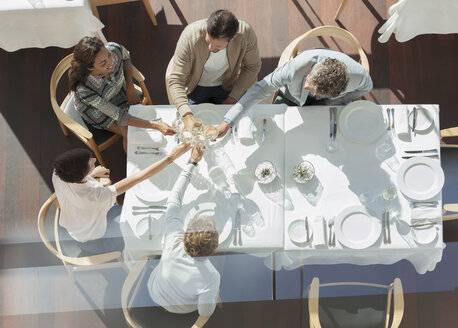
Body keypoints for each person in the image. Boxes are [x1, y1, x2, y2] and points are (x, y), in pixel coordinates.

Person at [52, 144, 190, 255]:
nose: (95, 160)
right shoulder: (94, 196)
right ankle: (149, 255)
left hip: (81, 224)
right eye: (91, 163)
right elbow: (138, 178)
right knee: (146, 234)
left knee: (136, 212)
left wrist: (91, 173)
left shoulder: (59, 172)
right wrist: (171, 157)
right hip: (96, 239)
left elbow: (77, 181)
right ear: (82, 174)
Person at [214, 48, 373, 138]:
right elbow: (261, 88)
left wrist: (328, 102)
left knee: (323, 138)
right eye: (308, 81)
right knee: (273, 135)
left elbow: (366, 88)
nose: (305, 87)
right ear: (310, 71)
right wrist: (228, 122)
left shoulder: (357, 77)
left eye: (311, 89)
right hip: (290, 96)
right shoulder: (296, 68)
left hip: (326, 105)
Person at [148, 146, 220, 328]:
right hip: (180, 312)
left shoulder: (173, 238)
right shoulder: (211, 276)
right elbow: (205, 313)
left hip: (153, 294)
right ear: (213, 250)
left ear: (187, 233)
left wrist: (193, 162)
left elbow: (174, 198)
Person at [68, 36, 175, 152]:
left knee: (137, 130)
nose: (111, 62)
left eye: (108, 55)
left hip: (118, 92)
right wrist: (156, 125)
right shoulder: (84, 89)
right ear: (90, 68)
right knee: (130, 133)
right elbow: (120, 116)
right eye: (103, 63)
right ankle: (140, 166)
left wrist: (130, 87)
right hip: (97, 112)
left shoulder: (115, 49)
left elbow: (126, 59)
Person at [168, 9, 261, 130]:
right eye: (208, 42)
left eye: (217, 46)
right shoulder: (190, 35)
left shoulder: (246, 33)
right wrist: (187, 114)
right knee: (192, 130)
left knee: (237, 129)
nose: (210, 48)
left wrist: (232, 98)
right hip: (194, 88)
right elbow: (176, 80)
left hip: (228, 87)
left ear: (233, 37)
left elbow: (253, 67)